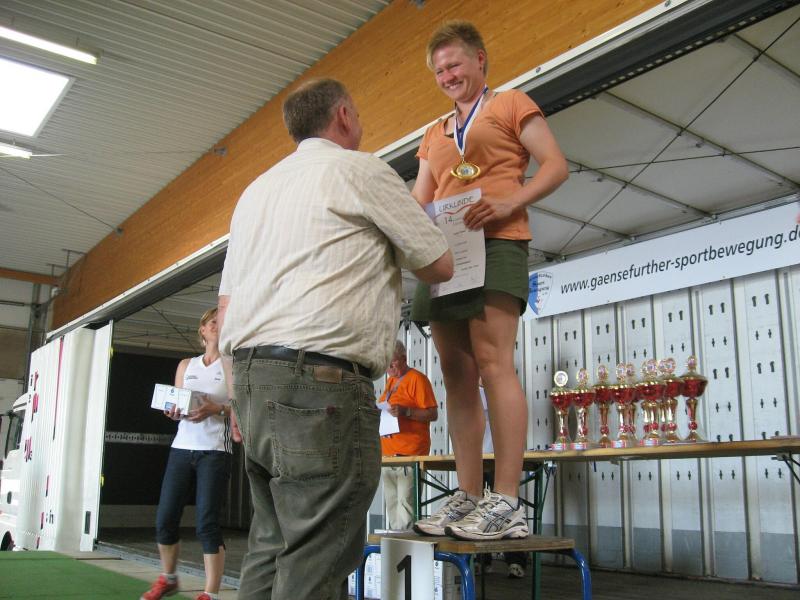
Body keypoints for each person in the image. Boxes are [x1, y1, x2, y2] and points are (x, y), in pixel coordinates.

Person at [216, 78, 453, 600]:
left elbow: (227, 304)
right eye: (358, 115)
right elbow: (439, 262)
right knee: (316, 553)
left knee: (271, 543)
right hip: (320, 383)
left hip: (251, 382)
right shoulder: (360, 170)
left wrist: (235, 394)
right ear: (343, 115)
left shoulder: (255, 192)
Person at [412, 21, 568, 541]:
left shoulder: (510, 103)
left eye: (454, 64)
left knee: (493, 362)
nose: (447, 76)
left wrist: (509, 201)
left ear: (480, 59)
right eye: (439, 71)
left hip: (498, 240)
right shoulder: (433, 133)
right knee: (456, 374)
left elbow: (555, 165)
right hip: (445, 252)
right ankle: (468, 494)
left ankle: (507, 499)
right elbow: (420, 200)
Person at [141, 308, 233, 600]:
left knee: (207, 523)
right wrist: (173, 411)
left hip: (215, 451)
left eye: (221, 322)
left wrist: (217, 409)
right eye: (211, 322)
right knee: (165, 519)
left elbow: (242, 406)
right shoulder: (186, 365)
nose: (217, 325)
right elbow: (178, 402)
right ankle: (169, 578)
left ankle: (210, 593)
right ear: (202, 330)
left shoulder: (232, 365)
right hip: (181, 449)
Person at [379, 340, 438, 530]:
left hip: (409, 454)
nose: (389, 367)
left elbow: (432, 414)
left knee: (405, 507)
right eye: (386, 363)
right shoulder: (391, 382)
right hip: (388, 456)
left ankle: (404, 544)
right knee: (392, 506)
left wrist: (407, 412)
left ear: (404, 359)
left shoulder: (417, 380)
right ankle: (396, 543)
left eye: (393, 362)